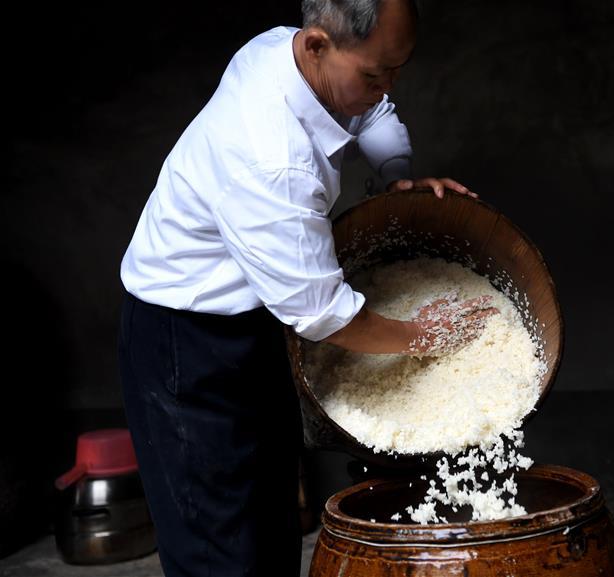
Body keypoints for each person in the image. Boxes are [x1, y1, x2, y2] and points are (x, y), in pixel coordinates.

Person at [117, 1, 494, 575]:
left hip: (253, 320)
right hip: (186, 344)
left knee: (272, 524)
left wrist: (396, 176)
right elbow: (325, 315)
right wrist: (428, 335)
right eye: (375, 74)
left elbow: (372, 110)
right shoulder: (273, 161)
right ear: (318, 44)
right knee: (220, 550)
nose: (388, 87)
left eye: (397, 70)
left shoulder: (284, 50)